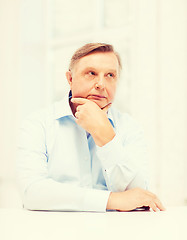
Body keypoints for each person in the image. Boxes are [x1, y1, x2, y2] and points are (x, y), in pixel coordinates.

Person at [17, 43, 165, 212]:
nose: (101, 84)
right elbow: (32, 192)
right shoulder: (38, 124)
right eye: (91, 73)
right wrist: (111, 200)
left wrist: (104, 133)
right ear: (70, 79)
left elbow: (139, 195)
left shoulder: (129, 127)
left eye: (110, 75)